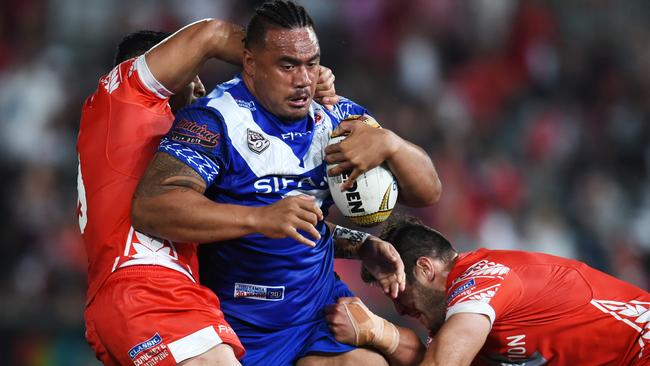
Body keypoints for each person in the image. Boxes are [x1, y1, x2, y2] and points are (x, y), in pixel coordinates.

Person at [130, 1, 442, 365]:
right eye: (287, 66)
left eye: (311, 63)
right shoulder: (215, 121)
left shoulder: (335, 115)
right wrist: (260, 218)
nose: (303, 80)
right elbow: (150, 206)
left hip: (317, 314)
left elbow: (428, 191)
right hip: (239, 323)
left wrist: (391, 143)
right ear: (250, 64)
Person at [77, 17, 340, 365]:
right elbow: (211, 34)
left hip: (155, 293)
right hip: (145, 282)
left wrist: (361, 243)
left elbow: (280, 219)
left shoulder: (190, 153)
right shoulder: (124, 95)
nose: (201, 88)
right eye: (192, 74)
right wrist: (288, 67)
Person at [325, 216, 650, 366]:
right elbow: (430, 357)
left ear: (426, 270)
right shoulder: (459, 319)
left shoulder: (480, 278)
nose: (401, 310)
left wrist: (378, 331)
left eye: (399, 292)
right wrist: (379, 333)